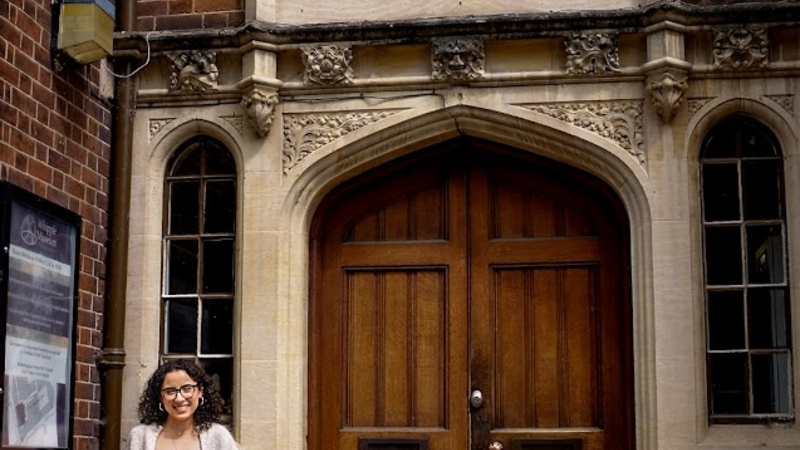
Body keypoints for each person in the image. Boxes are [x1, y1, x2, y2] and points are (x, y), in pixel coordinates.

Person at [126, 359, 239, 450]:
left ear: (200, 391)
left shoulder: (218, 437)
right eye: (170, 391)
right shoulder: (140, 437)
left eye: (187, 389)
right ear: (160, 397)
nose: (179, 398)